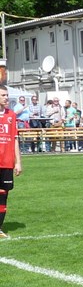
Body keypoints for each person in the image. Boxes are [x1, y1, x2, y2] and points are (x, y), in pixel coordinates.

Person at [0, 86, 23, 238]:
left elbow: (15, 140)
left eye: (7, 95)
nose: (6, 98)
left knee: (3, 195)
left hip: (7, 162)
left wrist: (18, 162)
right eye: (3, 95)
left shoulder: (12, 115)